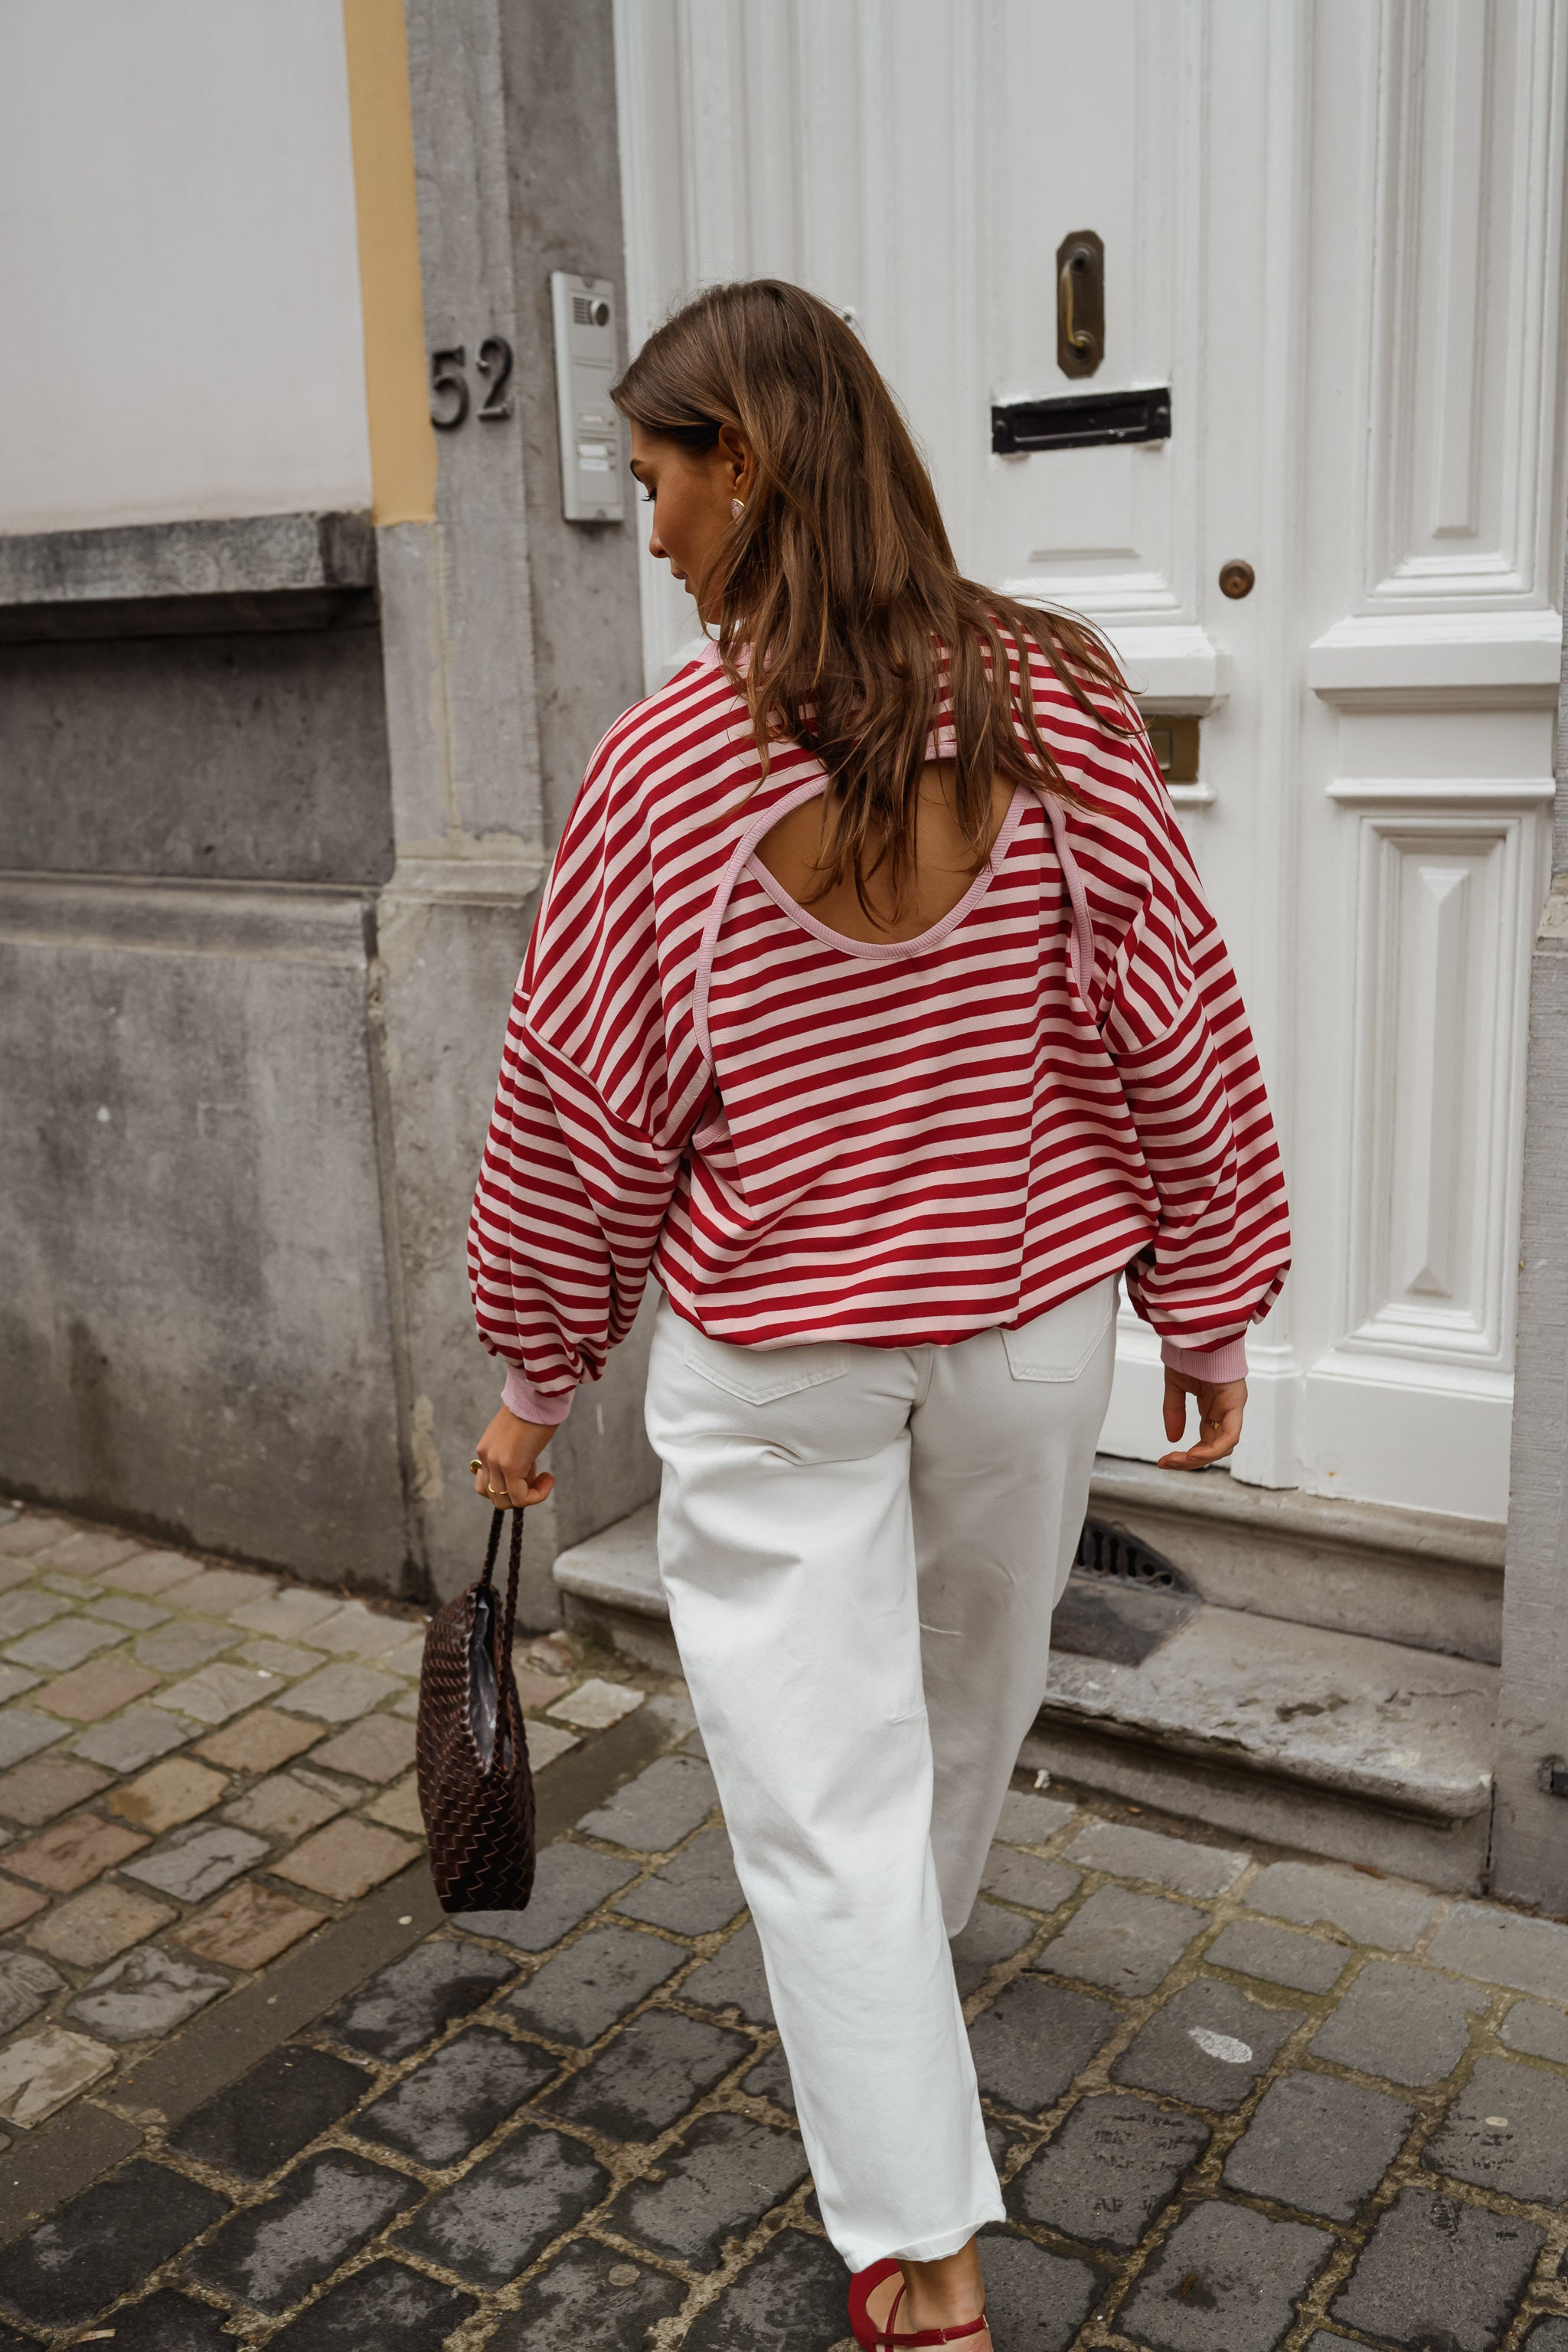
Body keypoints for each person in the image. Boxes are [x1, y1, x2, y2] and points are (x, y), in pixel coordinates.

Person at [466, 279, 1289, 2349]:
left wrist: (537, 1368)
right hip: (1024, 1336)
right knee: (950, 1728)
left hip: (789, 1354)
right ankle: (892, 2058)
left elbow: (588, 1097)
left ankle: (917, 2249)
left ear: (742, 458)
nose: (647, 532)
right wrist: (1211, 1291)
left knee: (827, 1798)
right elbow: (1168, 1012)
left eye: (658, 482)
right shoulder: (1059, 701)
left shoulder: (666, 763)